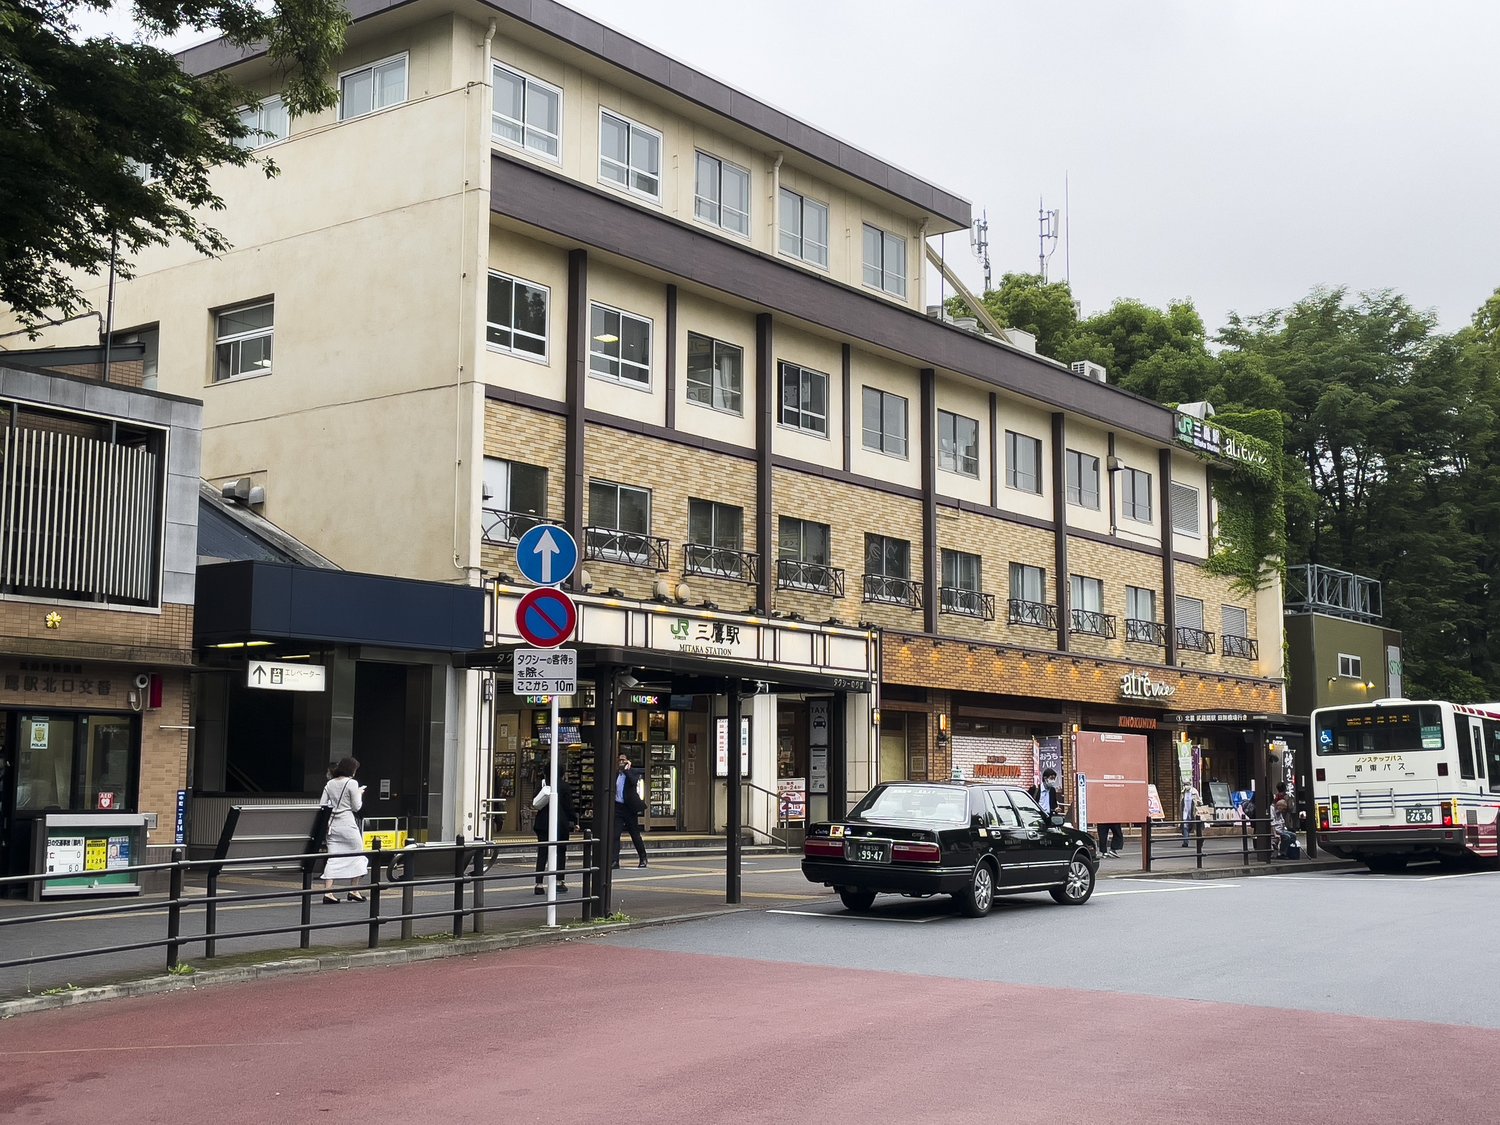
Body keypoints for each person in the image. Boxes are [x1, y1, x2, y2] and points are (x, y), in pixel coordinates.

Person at [319, 756, 367, 903]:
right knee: (358, 855)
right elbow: (356, 807)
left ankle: (328, 892)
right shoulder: (352, 783)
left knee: (333, 858)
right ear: (351, 769)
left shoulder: (330, 784)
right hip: (347, 824)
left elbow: (322, 805)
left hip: (332, 826)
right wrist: (359, 793)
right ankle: (354, 890)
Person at [532, 767, 577, 894]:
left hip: (542, 823)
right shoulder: (564, 786)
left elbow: (535, 801)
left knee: (542, 853)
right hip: (560, 824)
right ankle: (559, 882)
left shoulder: (542, 784)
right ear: (562, 773)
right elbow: (569, 806)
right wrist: (575, 821)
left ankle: (539, 884)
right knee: (561, 852)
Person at [612, 752, 647, 869]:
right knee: (615, 835)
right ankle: (614, 860)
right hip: (618, 807)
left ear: (628, 761)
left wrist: (627, 770)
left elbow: (633, 782)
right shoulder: (615, 774)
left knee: (635, 834)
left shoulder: (632, 772)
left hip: (629, 808)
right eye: (620, 760)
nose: (621, 762)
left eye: (624, 760)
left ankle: (643, 858)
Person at [1272, 782, 1298, 858]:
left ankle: (1284, 851)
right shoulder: (1287, 797)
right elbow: (1290, 808)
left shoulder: (1275, 797)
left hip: (1281, 821)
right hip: (1285, 818)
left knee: (1288, 834)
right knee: (1288, 835)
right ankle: (1284, 852)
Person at [1180, 782, 1199, 847]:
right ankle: (1185, 842)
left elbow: (1198, 801)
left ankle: (1200, 841)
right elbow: (1181, 803)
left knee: (1194, 827)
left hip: (1192, 813)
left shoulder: (1194, 792)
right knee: (1185, 827)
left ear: (1190, 785)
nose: (1186, 786)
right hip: (1185, 813)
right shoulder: (1183, 792)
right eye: (1185, 785)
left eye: (1187, 785)